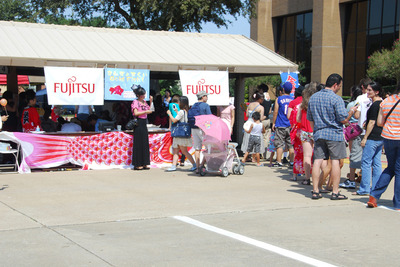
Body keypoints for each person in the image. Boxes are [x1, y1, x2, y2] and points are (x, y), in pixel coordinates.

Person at [307, 73, 356, 200]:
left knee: (317, 161)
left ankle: (315, 190)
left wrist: (316, 130)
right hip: (334, 134)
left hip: (319, 133)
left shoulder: (313, 98)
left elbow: (310, 118)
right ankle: (335, 192)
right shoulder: (336, 99)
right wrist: (351, 112)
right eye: (339, 86)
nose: (339, 88)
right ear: (335, 85)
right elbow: (343, 119)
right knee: (335, 161)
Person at [367, 81, 400, 209]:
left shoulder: (387, 101)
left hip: (388, 138)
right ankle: (398, 202)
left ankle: (374, 196)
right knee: (398, 170)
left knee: (391, 167)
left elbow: (380, 122)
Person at [340, 78, 372, 189]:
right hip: (372, 132)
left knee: (354, 155)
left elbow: (357, 116)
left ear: (362, 87)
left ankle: (352, 179)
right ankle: (366, 180)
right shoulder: (378, 99)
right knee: (369, 158)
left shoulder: (361, 98)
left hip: (360, 131)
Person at [353, 82, 383, 195]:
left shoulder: (376, 104)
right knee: (376, 163)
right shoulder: (382, 104)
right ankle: (375, 188)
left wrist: (365, 137)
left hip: (373, 136)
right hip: (380, 136)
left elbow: (372, 122)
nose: (367, 92)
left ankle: (364, 188)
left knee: (366, 162)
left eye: (370, 90)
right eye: (367, 89)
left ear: (377, 92)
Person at [165, 96, 197, 172]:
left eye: (179, 102)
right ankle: (173, 166)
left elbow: (174, 120)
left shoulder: (181, 112)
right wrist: (176, 111)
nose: (177, 103)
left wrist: (169, 113)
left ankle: (194, 165)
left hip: (179, 134)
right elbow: (183, 120)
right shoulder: (186, 111)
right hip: (182, 134)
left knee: (183, 151)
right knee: (178, 150)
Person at [296, 82, 317, 185]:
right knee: (319, 156)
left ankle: (307, 178)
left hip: (305, 131)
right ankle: (322, 177)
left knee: (307, 155)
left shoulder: (302, 104)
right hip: (316, 130)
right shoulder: (317, 103)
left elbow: (298, 119)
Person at [188, 90, 212, 173]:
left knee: (197, 149)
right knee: (208, 148)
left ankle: (197, 168)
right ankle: (202, 165)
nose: (207, 97)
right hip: (203, 129)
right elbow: (209, 118)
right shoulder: (205, 105)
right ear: (203, 97)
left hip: (194, 128)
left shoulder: (193, 105)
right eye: (206, 96)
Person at [272, 82, 294, 167]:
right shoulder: (293, 99)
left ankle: (279, 161)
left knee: (279, 144)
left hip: (280, 124)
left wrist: (274, 122)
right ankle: (292, 161)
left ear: (283, 89)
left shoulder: (279, 99)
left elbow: (275, 111)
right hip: (290, 125)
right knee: (291, 144)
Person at [131, 87, 153, 170]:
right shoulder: (135, 102)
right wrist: (145, 112)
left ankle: (145, 163)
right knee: (138, 143)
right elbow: (136, 113)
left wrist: (151, 102)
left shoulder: (145, 102)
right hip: (139, 122)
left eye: (144, 94)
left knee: (144, 142)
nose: (143, 96)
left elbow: (150, 110)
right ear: (138, 95)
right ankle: (137, 163)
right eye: (142, 95)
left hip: (144, 123)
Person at [241, 91, 265, 162]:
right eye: (262, 98)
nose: (263, 100)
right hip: (256, 124)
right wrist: (265, 117)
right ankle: (254, 158)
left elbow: (247, 115)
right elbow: (261, 118)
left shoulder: (250, 105)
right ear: (259, 99)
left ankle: (247, 156)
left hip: (249, 123)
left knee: (248, 140)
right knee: (256, 141)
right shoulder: (261, 107)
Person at [287, 85, 304, 180]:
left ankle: (295, 174)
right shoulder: (307, 102)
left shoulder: (293, 103)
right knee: (308, 154)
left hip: (296, 131)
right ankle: (307, 173)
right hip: (306, 129)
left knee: (297, 152)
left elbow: (289, 116)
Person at [258, 83, 272, 159]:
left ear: (262, 89)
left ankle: (260, 153)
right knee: (266, 138)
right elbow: (270, 111)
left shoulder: (261, 98)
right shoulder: (269, 98)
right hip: (268, 120)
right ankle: (266, 154)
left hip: (262, 120)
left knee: (261, 137)